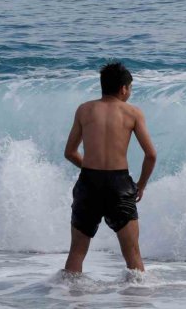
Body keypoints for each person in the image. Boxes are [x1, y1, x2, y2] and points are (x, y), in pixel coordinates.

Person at [63, 62, 157, 273]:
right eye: (130, 88)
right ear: (124, 88)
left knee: (77, 251)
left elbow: (70, 152)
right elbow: (150, 155)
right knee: (132, 254)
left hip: (89, 183)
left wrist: (88, 167)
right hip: (119, 185)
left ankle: (69, 300)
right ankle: (136, 303)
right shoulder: (132, 113)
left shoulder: (84, 110)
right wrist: (140, 185)